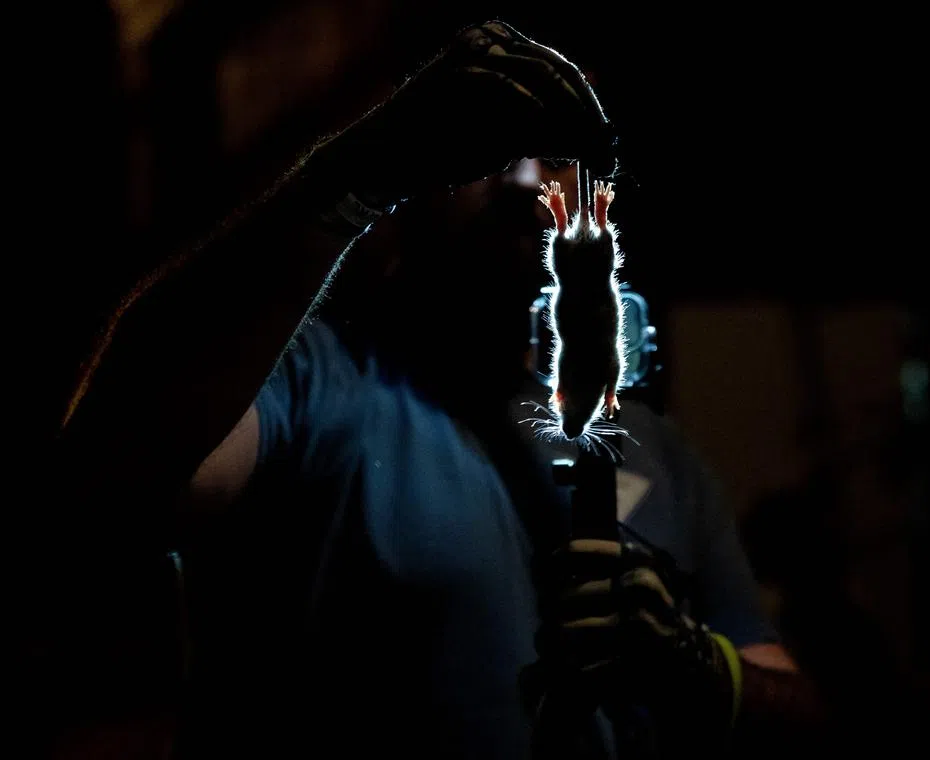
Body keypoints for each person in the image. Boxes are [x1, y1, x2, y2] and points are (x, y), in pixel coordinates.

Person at [55, 21, 823, 758]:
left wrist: (696, 665)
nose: (528, 178)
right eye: (497, 144)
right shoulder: (317, 384)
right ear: (422, 176)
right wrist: (348, 177)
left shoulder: (657, 451)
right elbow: (108, 468)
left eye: (556, 152)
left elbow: (802, 724)